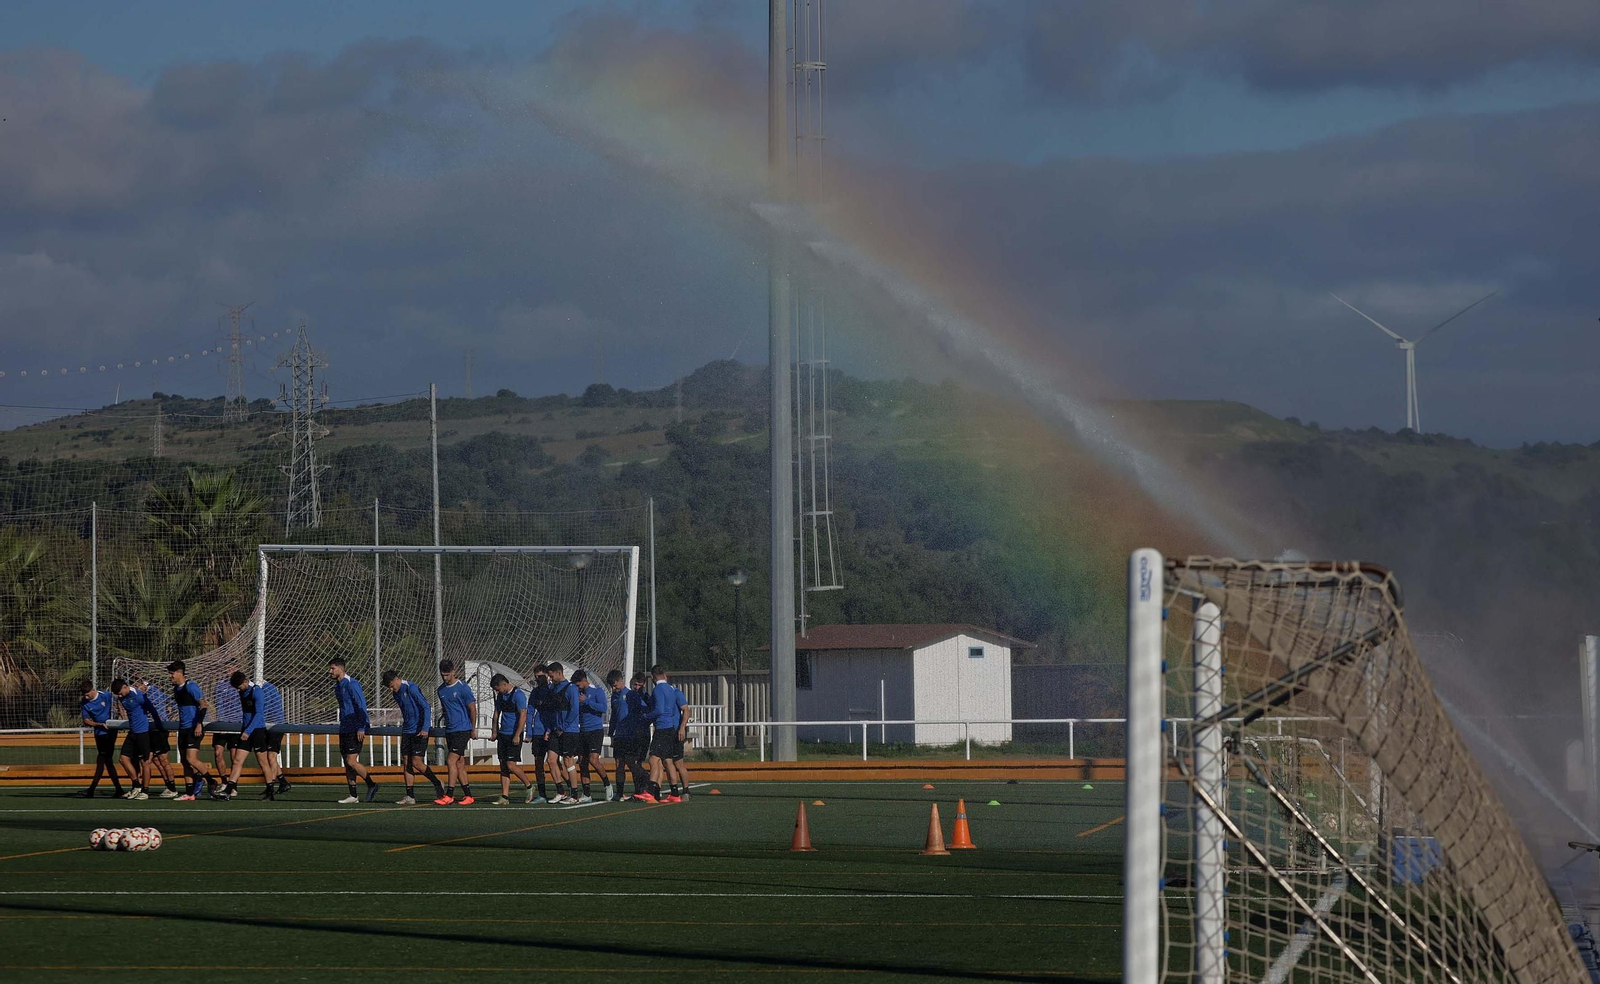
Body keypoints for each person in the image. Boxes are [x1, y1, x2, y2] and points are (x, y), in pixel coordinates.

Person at [384, 669, 443, 804]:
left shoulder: (411, 688)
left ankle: (437, 782)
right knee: (406, 762)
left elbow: (426, 707)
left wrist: (425, 728)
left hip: (419, 731)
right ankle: (410, 796)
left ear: (397, 679)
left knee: (417, 763)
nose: (391, 689)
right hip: (407, 730)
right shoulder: (396, 694)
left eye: (392, 685)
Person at [220, 671, 281, 800]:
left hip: (257, 731)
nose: (238, 690)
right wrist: (245, 730)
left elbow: (259, 714)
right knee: (237, 760)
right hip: (245, 731)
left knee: (263, 762)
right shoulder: (242, 691)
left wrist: (248, 731)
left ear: (245, 682)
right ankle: (229, 789)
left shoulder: (257, 692)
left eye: (239, 686)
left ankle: (270, 790)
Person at [329, 659, 378, 804]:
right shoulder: (338, 686)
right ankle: (353, 795)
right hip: (344, 727)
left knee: (351, 761)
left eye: (332, 668)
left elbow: (362, 705)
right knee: (346, 762)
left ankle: (372, 784)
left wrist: (362, 726)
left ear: (340, 668)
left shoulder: (352, 684)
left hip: (355, 728)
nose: (330, 672)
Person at [167, 661, 218, 802]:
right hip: (183, 728)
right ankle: (190, 793)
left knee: (191, 759)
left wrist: (199, 724)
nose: (170, 676)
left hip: (193, 729)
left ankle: (211, 781)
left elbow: (204, 705)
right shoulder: (176, 689)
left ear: (180, 672)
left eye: (172, 673)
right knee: (185, 762)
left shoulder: (191, 687)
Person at [639, 664, 690, 804]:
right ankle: (673, 793)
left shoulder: (659, 689)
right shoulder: (671, 690)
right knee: (667, 761)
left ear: (653, 677)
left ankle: (651, 791)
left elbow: (660, 709)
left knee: (654, 759)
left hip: (664, 728)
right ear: (665, 675)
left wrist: (646, 717)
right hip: (670, 728)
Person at [435, 659, 478, 805]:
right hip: (450, 730)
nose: (445, 677)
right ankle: (469, 796)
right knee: (459, 763)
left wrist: (473, 728)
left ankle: (449, 795)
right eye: (443, 675)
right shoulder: (440, 690)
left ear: (454, 671)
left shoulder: (463, 688)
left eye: (447, 674)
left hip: (462, 729)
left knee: (450, 761)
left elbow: (472, 708)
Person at [134, 678, 180, 798]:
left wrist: (165, 720)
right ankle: (165, 786)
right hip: (149, 729)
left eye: (136, 685)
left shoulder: (152, 692)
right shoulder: (154, 691)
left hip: (158, 730)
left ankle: (172, 788)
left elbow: (173, 706)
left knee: (163, 760)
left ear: (141, 683)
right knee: (152, 759)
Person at [490, 673, 531, 805]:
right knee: (503, 765)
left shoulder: (518, 695)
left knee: (511, 765)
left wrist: (517, 734)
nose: (497, 691)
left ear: (504, 684)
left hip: (514, 735)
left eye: (498, 689)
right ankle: (504, 796)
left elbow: (523, 716)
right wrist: (495, 731)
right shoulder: (501, 696)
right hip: (503, 734)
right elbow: (496, 714)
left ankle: (529, 786)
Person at [544, 661, 582, 805]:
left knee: (568, 761)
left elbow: (574, 710)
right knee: (551, 760)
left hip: (569, 731)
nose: (550, 679)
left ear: (559, 673)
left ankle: (574, 794)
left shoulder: (571, 688)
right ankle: (560, 791)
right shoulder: (553, 689)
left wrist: (564, 727)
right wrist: (549, 729)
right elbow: (553, 712)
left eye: (552, 676)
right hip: (555, 730)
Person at [79, 680, 123, 799]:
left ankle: (91, 790)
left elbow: (118, 701)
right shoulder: (85, 703)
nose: (86, 697)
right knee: (107, 762)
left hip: (110, 732)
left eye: (88, 694)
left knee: (102, 760)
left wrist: (121, 717)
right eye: (84, 695)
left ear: (93, 690)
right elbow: (86, 720)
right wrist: (98, 724)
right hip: (99, 733)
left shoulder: (105, 695)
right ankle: (118, 789)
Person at [606, 670, 646, 802]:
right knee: (619, 764)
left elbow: (643, 709)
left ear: (621, 681)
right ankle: (620, 792)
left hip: (631, 735)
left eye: (615, 684)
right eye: (612, 685)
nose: (614, 687)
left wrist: (639, 727)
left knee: (631, 763)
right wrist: (611, 733)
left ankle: (642, 787)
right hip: (619, 735)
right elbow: (614, 716)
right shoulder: (614, 696)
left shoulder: (631, 694)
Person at [109, 678, 150, 800]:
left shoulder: (139, 696)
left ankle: (145, 790)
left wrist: (158, 725)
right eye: (118, 694)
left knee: (145, 762)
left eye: (121, 692)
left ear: (126, 687)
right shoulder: (123, 697)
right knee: (123, 758)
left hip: (142, 732)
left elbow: (150, 708)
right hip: (133, 732)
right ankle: (136, 785)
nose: (119, 696)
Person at [573, 669, 610, 803]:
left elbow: (603, 708)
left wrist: (586, 702)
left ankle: (607, 784)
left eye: (578, 685)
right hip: (582, 731)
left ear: (584, 680)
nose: (577, 688)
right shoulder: (578, 694)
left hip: (595, 730)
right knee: (582, 762)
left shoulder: (597, 691)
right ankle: (587, 793)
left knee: (594, 760)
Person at [210, 663, 242, 789]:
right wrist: (222, 723)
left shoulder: (240, 686)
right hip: (222, 724)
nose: (229, 669)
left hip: (236, 725)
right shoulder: (220, 685)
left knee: (234, 756)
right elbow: (219, 705)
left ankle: (233, 784)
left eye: (232, 667)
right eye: (227, 667)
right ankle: (224, 782)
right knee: (218, 752)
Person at [524, 666, 554, 804]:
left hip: (552, 731)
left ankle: (563, 791)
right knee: (538, 763)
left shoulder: (553, 690)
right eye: (536, 677)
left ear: (547, 676)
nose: (538, 679)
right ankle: (542, 794)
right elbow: (529, 712)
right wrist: (529, 732)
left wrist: (550, 728)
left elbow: (555, 713)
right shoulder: (535, 693)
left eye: (541, 676)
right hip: (537, 733)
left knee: (555, 762)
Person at [260, 677, 291, 796]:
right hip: (269, 725)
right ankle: (283, 782)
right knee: (270, 756)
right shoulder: (264, 688)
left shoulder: (267, 688)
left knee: (271, 756)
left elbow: (265, 709)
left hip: (276, 725)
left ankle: (270, 785)